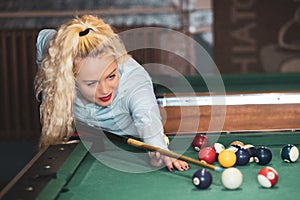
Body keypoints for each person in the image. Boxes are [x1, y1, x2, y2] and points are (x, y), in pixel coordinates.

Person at [34, 15, 189, 172]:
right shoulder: (62, 53)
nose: (105, 90)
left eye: (111, 76)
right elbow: (42, 38)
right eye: (92, 83)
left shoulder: (134, 80)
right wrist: (50, 85)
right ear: (70, 77)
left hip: (123, 142)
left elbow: (146, 116)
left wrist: (158, 148)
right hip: (84, 137)